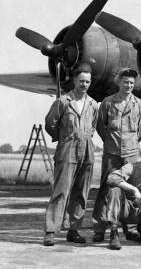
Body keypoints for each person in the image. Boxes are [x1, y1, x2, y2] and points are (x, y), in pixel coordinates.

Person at [43, 63, 99, 246]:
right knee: (61, 190)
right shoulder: (63, 101)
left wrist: (85, 138)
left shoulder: (92, 104)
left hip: (87, 149)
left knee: (82, 192)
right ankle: (51, 230)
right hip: (68, 147)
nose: (84, 85)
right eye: (81, 81)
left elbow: (93, 126)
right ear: (75, 80)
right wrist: (65, 139)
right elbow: (50, 123)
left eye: (87, 82)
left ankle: (74, 229)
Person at [92, 68, 141, 242]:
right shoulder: (108, 103)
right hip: (112, 153)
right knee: (106, 188)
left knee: (130, 189)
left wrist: (131, 143)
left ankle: (129, 227)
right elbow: (101, 127)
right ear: (119, 82)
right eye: (126, 82)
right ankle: (100, 227)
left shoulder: (139, 104)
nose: (129, 85)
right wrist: (111, 141)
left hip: (131, 154)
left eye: (132, 83)